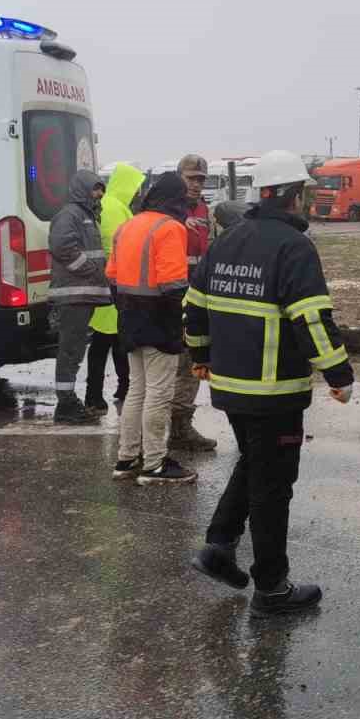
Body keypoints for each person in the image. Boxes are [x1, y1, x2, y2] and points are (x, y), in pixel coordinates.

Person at [184, 150, 355, 616]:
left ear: (261, 194)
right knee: (273, 485)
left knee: (256, 464)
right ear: (295, 195)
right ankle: (272, 588)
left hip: (230, 388)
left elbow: (194, 307)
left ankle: (218, 546)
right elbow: (312, 320)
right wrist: (339, 375)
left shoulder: (227, 241)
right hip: (274, 391)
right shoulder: (294, 248)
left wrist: (200, 355)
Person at [108, 171, 198, 486]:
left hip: (129, 316)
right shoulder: (170, 228)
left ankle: (127, 458)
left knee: (137, 389)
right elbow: (174, 285)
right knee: (159, 392)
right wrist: (185, 322)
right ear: (175, 198)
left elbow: (112, 276)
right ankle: (156, 464)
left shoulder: (127, 226)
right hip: (160, 318)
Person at [48, 169, 111, 421]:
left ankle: (68, 401)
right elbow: (62, 247)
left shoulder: (85, 215)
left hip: (82, 294)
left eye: (101, 189)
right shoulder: (71, 215)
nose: (99, 194)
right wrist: (91, 271)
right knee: (70, 350)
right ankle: (65, 405)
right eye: (95, 189)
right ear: (83, 190)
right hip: (74, 294)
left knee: (74, 349)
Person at [86, 162, 145, 414]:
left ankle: (119, 388)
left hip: (110, 282)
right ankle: (97, 395)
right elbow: (116, 246)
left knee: (114, 340)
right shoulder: (113, 208)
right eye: (136, 187)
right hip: (112, 283)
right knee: (107, 342)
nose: (138, 193)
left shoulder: (114, 205)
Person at [168, 153, 218, 452]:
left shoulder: (204, 211)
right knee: (169, 366)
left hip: (196, 295)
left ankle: (179, 427)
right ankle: (164, 429)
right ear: (178, 177)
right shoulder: (165, 211)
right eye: (191, 178)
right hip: (170, 296)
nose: (197, 185)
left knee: (191, 362)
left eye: (201, 179)